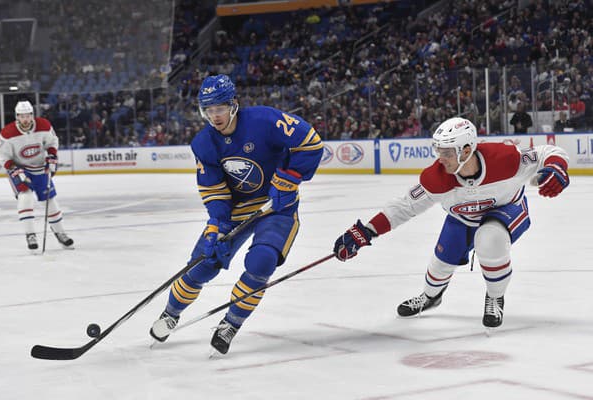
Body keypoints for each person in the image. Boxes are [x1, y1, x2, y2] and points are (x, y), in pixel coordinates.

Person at [333, 117, 569, 329]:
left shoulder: (506, 159)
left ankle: (495, 296)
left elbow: (548, 151)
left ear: (466, 150)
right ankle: (430, 297)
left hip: (507, 210)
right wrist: (366, 231)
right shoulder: (436, 178)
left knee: (489, 240)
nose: (440, 158)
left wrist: (557, 167)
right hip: (462, 217)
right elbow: (404, 206)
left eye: (446, 152)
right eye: (439, 151)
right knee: (440, 265)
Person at [150, 74, 323, 354]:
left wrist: (288, 179)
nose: (214, 116)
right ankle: (170, 313)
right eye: (209, 110)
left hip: (275, 205)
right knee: (202, 264)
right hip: (236, 211)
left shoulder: (266, 121)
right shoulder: (203, 143)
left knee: (262, 260)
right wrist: (215, 226)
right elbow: (214, 190)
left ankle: (231, 322)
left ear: (233, 105)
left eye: (219, 109)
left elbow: (311, 143)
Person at [0, 101, 74, 251]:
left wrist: (52, 155)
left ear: (32, 115)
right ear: (17, 117)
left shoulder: (44, 125)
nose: (25, 119)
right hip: (19, 168)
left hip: (39, 167)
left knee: (49, 200)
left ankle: (60, 232)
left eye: (28, 115)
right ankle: (30, 234)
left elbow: (53, 142)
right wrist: (14, 169)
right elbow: (3, 157)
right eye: (22, 116)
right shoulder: (7, 133)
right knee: (25, 196)